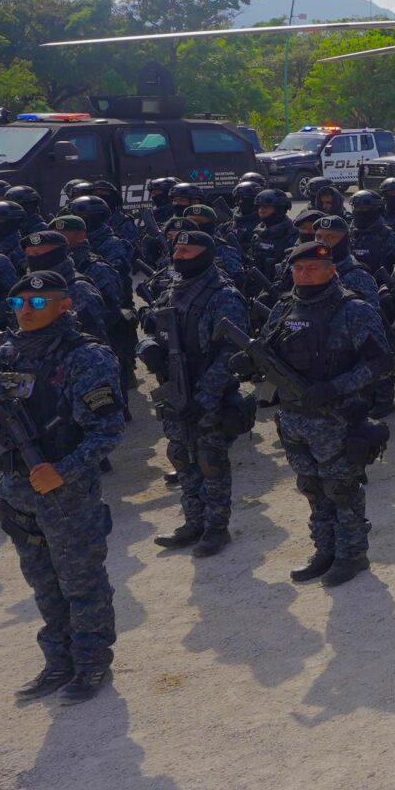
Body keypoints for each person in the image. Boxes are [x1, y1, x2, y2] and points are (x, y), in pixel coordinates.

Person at [0, 271, 128, 704]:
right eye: (20, 305)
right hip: (17, 486)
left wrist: (66, 469)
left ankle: (92, 662)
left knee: (81, 581)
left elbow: (107, 430)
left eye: (39, 304)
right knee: (42, 580)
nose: (27, 312)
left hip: (66, 490)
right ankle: (58, 660)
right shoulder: (6, 350)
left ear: (65, 306)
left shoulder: (86, 357)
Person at [254, 243, 392, 585]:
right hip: (293, 417)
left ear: (332, 269)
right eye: (299, 268)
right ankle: (325, 550)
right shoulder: (286, 307)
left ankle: (352, 554)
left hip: (336, 417)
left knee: (342, 489)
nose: (305, 274)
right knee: (312, 488)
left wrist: (334, 387)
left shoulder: (353, 309)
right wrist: (251, 365)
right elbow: (267, 347)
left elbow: (381, 364)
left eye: (314, 268)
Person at [145, 228, 250, 556]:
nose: (179, 257)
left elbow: (232, 354)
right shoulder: (171, 288)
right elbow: (153, 328)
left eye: (188, 254)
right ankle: (193, 521)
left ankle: (217, 528)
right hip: (175, 388)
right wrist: (147, 346)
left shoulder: (224, 295)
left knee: (210, 461)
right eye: (177, 252)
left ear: (206, 255)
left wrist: (204, 397)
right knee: (182, 457)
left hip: (209, 393)